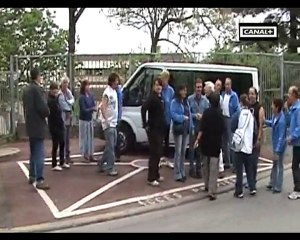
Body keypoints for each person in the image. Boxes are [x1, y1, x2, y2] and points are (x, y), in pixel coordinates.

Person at [22, 68, 50, 190]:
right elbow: (42, 108)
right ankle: (40, 179)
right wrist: (47, 112)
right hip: (38, 125)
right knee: (39, 153)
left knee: (33, 151)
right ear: (37, 76)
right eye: (41, 76)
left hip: (30, 124)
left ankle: (32, 175)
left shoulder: (26, 90)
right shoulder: (37, 90)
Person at [194, 92, 225, 200]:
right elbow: (223, 130)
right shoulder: (220, 114)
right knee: (213, 168)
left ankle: (206, 185)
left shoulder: (206, 113)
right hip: (216, 144)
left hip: (205, 144)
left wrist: (197, 140)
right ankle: (212, 191)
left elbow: (201, 128)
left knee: (205, 166)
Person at [141, 77, 165, 186]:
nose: (158, 87)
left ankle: (156, 174)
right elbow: (143, 109)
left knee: (159, 153)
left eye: (160, 85)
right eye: (156, 85)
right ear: (153, 87)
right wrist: (145, 123)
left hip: (160, 129)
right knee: (154, 153)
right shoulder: (152, 98)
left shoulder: (160, 97)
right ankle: (151, 178)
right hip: (153, 130)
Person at [231, 94, 256, 198]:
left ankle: (239, 191)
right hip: (248, 146)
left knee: (239, 170)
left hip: (239, 145)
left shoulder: (238, 113)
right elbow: (255, 130)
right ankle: (252, 187)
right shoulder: (251, 115)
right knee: (249, 168)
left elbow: (232, 126)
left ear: (240, 103)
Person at [170, 85, 193, 182]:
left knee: (183, 151)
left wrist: (191, 126)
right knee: (178, 151)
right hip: (178, 129)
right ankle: (177, 173)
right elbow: (173, 114)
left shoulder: (186, 102)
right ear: (179, 91)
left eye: (186, 90)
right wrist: (182, 118)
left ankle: (182, 170)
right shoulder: (174, 102)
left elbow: (190, 114)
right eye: (183, 90)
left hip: (186, 129)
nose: (185, 92)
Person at [99, 73, 119, 176]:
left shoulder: (114, 91)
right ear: (111, 81)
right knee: (111, 147)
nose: (117, 83)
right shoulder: (107, 93)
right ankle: (110, 167)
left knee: (111, 145)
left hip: (113, 122)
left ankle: (101, 162)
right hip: (109, 123)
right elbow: (103, 106)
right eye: (116, 81)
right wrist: (106, 120)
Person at [188, 79, 209, 179]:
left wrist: (203, 116)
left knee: (200, 151)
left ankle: (199, 170)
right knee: (192, 149)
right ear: (194, 88)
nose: (199, 89)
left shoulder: (206, 101)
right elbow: (187, 113)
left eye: (200, 87)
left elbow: (208, 114)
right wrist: (194, 115)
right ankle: (191, 169)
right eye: (197, 87)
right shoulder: (189, 99)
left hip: (202, 128)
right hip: (192, 127)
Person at [265, 98, 286, 193]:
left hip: (280, 146)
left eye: (273, 105)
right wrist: (264, 121)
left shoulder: (282, 120)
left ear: (277, 107)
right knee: (274, 164)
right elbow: (272, 124)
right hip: (275, 144)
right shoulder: (275, 116)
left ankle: (278, 186)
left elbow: (281, 136)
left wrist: (277, 150)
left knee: (279, 165)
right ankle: (272, 182)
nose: (271, 107)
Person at [48, 82, 70, 171]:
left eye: (57, 89)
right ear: (51, 90)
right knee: (55, 144)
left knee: (62, 143)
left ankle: (62, 161)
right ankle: (54, 164)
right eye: (54, 89)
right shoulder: (50, 100)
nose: (56, 91)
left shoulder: (55, 99)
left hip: (59, 124)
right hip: (54, 125)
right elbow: (55, 113)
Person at [248, 87, 265, 186]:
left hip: (255, 138)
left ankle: (253, 181)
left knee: (254, 162)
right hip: (247, 138)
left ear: (256, 95)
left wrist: (259, 139)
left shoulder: (259, 108)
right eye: (249, 94)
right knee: (248, 161)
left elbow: (261, 124)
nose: (251, 96)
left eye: (252, 94)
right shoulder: (247, 106)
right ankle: (250, 180)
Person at [222, 78, 240, 171]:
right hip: (223, 119)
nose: (227, 86)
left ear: (231, 85)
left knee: (231, 142)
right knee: (224, 142)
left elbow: (238, 109)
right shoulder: (223, 94)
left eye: (228, 84)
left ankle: (235, 165)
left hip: (230, 119)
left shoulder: (234, 96)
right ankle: (227, 162)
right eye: (225, 84)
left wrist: (233, 118)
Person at [286, 86, 300, 200]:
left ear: (294, 95)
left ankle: (297, 190)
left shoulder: (298, 109)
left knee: (295, 166)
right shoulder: (293, 108)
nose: (288, 96)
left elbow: (299, 127)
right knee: (296, 165)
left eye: (289, 94)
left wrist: (292, 137)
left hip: (298, 143)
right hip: (297, 143)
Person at [78, 79, 96, 163]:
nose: (88, 87)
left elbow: (93, 104)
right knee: (84, 137)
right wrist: (91, 109)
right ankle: (85, 154)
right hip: (84, 119)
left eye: (89, 85)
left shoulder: (91, 95)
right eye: (86, 85)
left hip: (89, 119)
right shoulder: (81, 97)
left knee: (90, 137)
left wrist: (92, 108)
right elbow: (83, 109)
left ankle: (91, 154)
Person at [58, 76, 75, 164]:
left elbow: (72, 100)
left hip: (69, 118)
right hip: (63, 118)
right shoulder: (60, 94)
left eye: (67, 83)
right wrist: (69, 103)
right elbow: (64, 105)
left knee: (68, 138)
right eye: (64, 83)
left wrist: (68, 102)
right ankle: (63, 156)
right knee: (63, 138)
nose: (65, 85)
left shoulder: (68, 92)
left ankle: (67, 155)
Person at [160, 70, 175, 168]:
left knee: (166, 140)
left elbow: (172, 104)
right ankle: (159, 158)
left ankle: (166, 158)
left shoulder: (171, 91)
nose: (163, 80)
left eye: (164, 78)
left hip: (168, 118)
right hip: (160, 119)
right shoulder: (159, 89)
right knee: (159, 140)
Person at [214, 79, 225, 178]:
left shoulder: (220, 98)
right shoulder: (213, 95)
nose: (218, 87)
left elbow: (221, 110)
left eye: (219, 85)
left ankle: (221, 168)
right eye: (216, 85)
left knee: (219, 147)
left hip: (217, 123)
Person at [115, 80, 123, 162]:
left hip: (116, 116)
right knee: (116, 136)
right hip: (118, 116)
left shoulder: (117, 92)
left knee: (115, 136)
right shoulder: (120, 91)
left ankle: (117, 154)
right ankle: (117, 154)